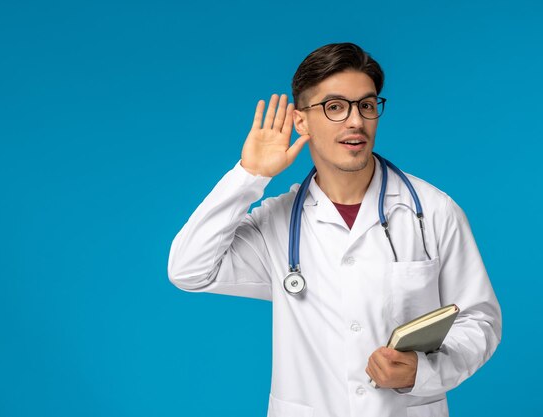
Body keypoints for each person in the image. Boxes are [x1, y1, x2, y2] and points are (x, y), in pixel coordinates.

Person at [167, 42, 501, 417]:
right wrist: (249, 176)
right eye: (335, 107)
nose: (355, 121)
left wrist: (422, 372)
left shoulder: (434, 211)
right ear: (301, 121)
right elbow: (188, 270)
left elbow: (479, 321)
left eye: (367, 105)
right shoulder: (277, 225)